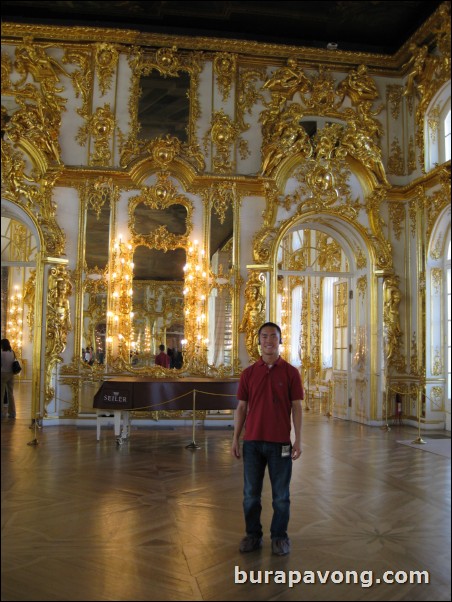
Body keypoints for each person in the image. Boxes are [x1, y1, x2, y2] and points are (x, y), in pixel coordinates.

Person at [231, 322, 303, 556]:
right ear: (259, 341)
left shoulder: (291, 373)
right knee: (250, 495)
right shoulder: (249, 373)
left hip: (280, 443)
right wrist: (235, 438)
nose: (269, 340)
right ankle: (253, 535)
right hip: (252, 443)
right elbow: (241, 408)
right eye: (264, 336)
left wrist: (298, 439)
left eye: (273, 336)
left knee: (281, 496)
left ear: (280, 340)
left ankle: (279, 537)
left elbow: (297, 408)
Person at [1, 338, 17, 419]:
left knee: (2, 393)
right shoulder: (12, 352)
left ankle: (1, 413)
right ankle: (12, 413)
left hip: (3, 374)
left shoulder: (1, 353)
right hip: (11, 374)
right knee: (11, 394)